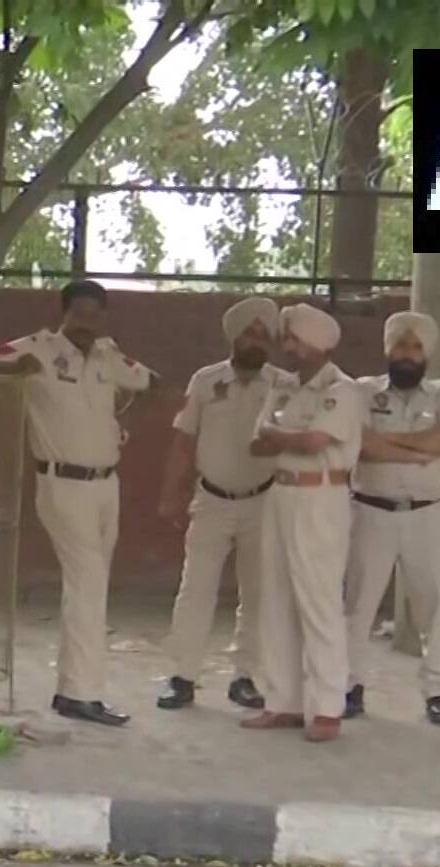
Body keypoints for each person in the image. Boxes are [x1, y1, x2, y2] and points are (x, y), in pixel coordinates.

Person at [0, 279, 157, 727]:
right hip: (62, 484)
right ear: (65, 313)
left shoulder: (107, 355)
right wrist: (14, 372)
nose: (86, 323)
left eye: (95, 315)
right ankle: (81, 694)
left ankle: (72, 689)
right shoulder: (39, 348)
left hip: (104, 484)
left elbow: (151, 381)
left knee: (88, 588)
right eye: (79, 313)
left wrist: (119, 408)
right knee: (88, 584)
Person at [155, 297, 287, 712]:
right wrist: (170, 494)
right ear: (234, 336)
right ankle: (182, 677)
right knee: (195, 589)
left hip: (265, 500)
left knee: (258, 592)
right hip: (211, 499)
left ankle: (245, 677)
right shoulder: (205, 381)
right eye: (250, 333)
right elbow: (183, 439)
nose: (256, 341)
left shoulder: (284, 385)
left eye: (264, 335)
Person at [241, 304, 364, 742]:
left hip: (321, 495)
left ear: (315, 343)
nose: (287, 347)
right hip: (280, 492)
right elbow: (258, 443)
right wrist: (285, 439)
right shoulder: (283, 387)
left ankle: (329, 707)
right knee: (275, 597)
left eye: (293, 339)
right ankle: (283, 703)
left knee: (318, 599)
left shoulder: (343, 390)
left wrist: (282, 437)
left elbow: (315, 442)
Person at [343, 311, 440, 724]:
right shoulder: (362, 391)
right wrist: (418, 451)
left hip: (425, 515)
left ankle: (437, 691)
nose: (407, 355)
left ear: (427, 352)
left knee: (433, 606)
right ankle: (348, 685)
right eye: (400, 345)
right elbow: (361, 445)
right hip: (370, 510)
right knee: (358, 603)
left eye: (415, 347)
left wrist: (390, 438)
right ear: (387, 348)